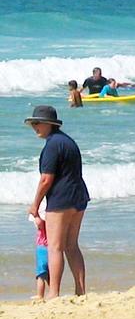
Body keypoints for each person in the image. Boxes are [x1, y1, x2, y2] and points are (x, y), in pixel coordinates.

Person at [25, 105, 89, 297]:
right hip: (78, 197)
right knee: (71, 246)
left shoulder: (52, 145)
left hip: (61, 200)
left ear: (48, 124)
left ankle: (54, 294)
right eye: (32, 123)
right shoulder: (68, 141)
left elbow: (46, 179)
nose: (34, 126)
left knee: (55, 247)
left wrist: (35, 205)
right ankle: (81, 291)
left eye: (37, 123)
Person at [30, 207, 49, 299]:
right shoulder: (53, 224)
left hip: (42, 247)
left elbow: (39, 223)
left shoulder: (43, 223)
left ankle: (40, 295)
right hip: (52, 248)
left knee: (41, 274)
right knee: (50, 274)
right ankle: (53, 292)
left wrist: (36, 214)